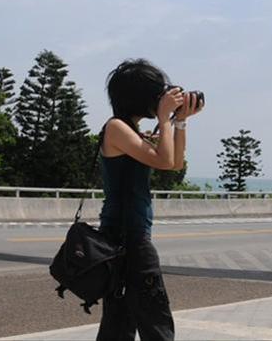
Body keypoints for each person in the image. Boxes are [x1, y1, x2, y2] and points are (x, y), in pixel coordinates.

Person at [96, 59, 204, 341]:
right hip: (128, 236)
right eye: (156, 93)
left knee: (119, 322)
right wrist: (163, 117)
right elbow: (165, 160)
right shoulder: (116, 128)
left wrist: (178, 121)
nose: (161, 98)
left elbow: (175, 163)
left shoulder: (130, 132)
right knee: (155, 318)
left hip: (124, 235)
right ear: (138, 97)